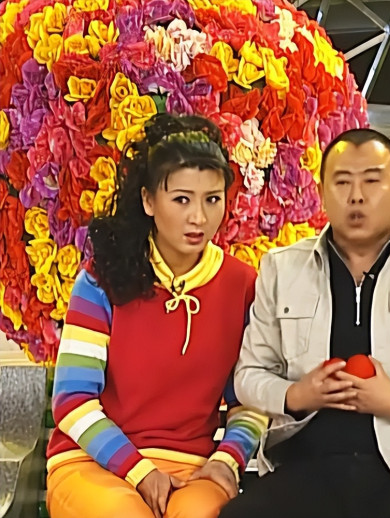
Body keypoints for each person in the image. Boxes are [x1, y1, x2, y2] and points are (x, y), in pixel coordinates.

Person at [219, 128, 390, 518]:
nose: (356, 196)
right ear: (321, 193)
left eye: (371, 181)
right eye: (342, 182)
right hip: (307, 468)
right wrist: (296, 395)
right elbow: (249, 375)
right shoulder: (282, 269)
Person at [46, 113, 268, 518]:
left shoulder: (243, 285)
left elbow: (252, 399)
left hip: (193, 469)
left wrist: (227, 461)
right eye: (182, 199)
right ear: (149, 200)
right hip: (92, 462)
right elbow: (72, 401)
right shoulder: (102, 278)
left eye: (212, 199)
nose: (199, 217)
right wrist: (141, 472)